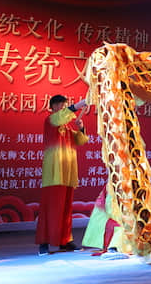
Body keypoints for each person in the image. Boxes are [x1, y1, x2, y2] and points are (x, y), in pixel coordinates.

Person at [36, 95, 88, 256]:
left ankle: (65, 240)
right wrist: (79, 105)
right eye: (59, 105)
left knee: (66, 209)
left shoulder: (68, 129)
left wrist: (81, 128)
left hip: (67, 172)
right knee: (50, 208)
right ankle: (44, 242)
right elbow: (61, 117)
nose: (62, 108)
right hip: (54, 173)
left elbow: (81, 141)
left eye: (64, 105)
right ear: (52, 107)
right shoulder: (50, 120)